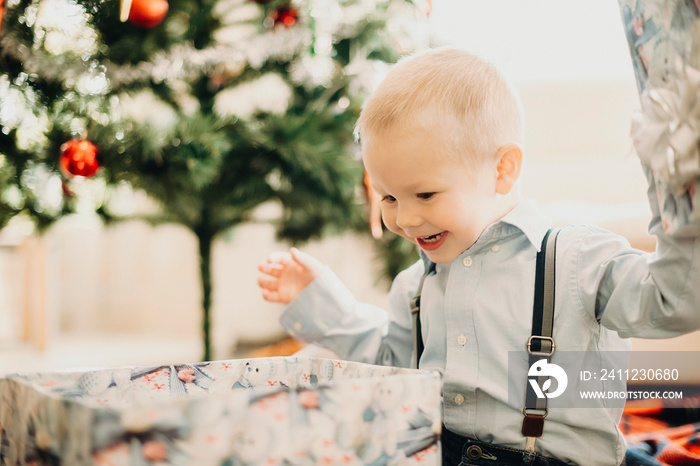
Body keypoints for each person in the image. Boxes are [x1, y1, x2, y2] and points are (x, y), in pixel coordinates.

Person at [257, 48, 700, 465]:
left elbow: (671, 301)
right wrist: (326, 306)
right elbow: (391, 368)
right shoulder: (414, 287)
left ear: (502, 170)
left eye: (425, 193)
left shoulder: (576, 262)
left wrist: (681, 194)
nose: (405, 219)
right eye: (389, 197)